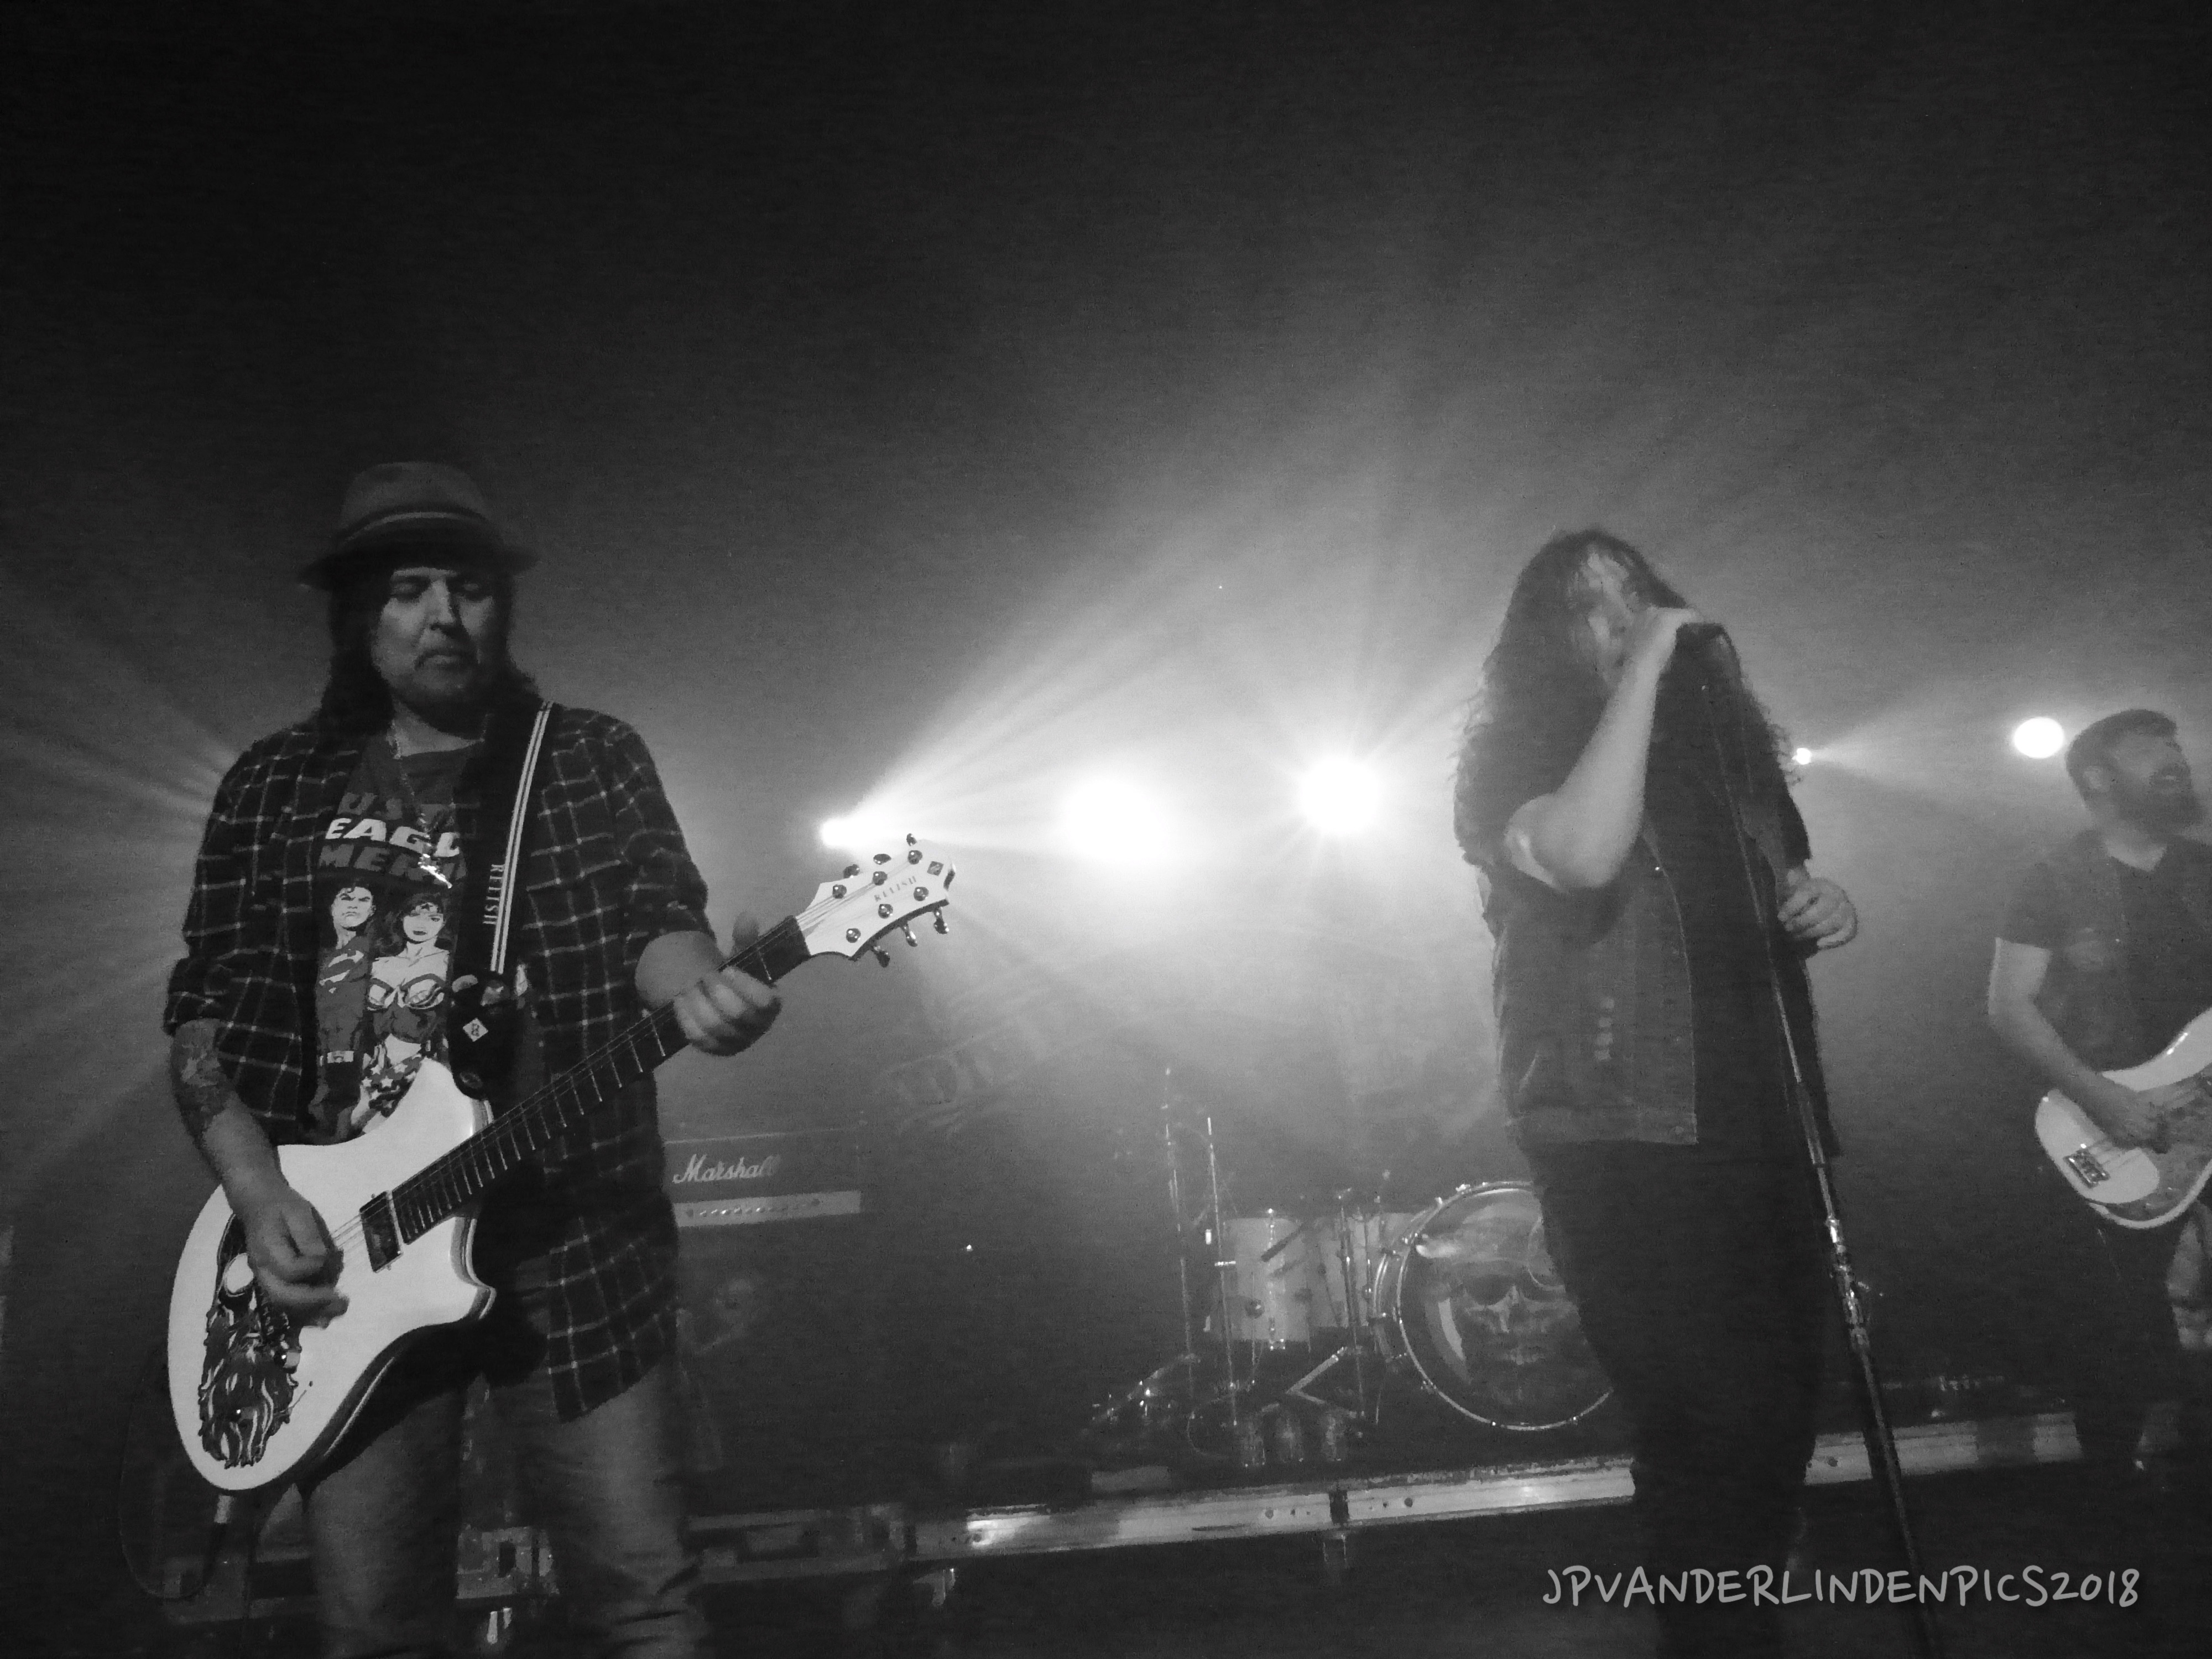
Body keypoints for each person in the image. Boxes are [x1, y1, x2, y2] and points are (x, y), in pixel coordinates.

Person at [165, 461, 781, 1658]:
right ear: (359, 614)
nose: (444, 615)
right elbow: (206, 1018)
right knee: (374, 1627)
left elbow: (658, 922)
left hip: (573, 1242)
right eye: (409, 590)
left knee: (646, 1608)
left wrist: (704, 993)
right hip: (356, 1255)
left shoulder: (587, 756)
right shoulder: (273, 785)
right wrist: (255, 1191)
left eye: (471, 588)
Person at [1452, 530, 1858, 1658]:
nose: (1624, 617)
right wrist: (1640, 671)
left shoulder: (1728, 763)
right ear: (1547, 640)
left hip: (1767, 1124)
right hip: (1624, 1138)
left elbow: (1782, 892)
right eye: (1593, 606)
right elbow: (1583, 857)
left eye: (1636, 595)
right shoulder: (1510, 767)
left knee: (1785, 1403)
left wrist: (1823, 904)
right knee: (1704, 1415)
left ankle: (1738, 1625)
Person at [1987, 707, 2212, 1488]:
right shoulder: (2055, 878)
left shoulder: (2206, 870)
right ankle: (2114, 1490)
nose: (2174, 758)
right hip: (2118, 1121)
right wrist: (2101, 1097)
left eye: (2175, 745)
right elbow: (2008, 1007)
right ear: (2097, 777)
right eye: (2150, 749)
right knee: (2118, 1318)